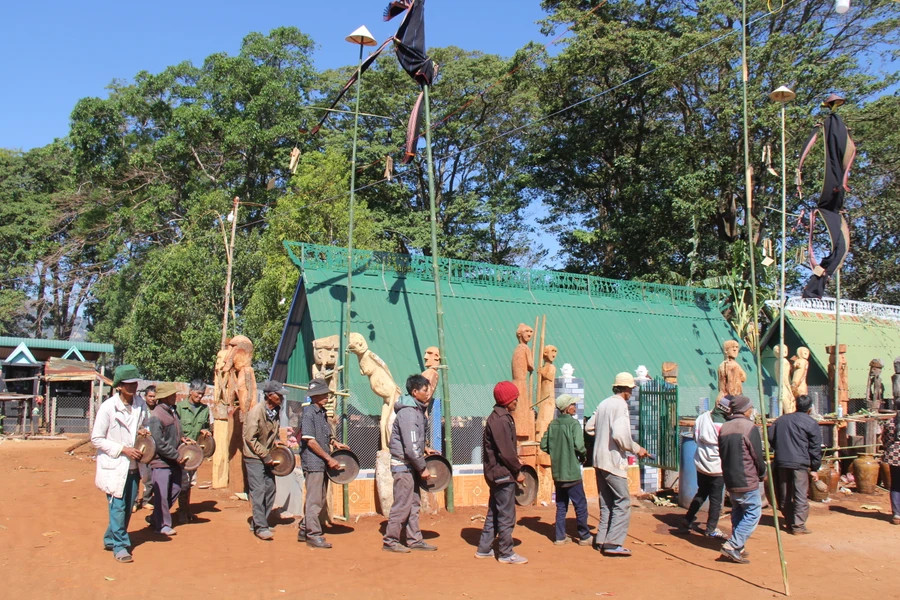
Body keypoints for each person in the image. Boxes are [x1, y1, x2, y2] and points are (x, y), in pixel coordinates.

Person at [586, 372, 649, 556]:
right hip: (613, 461)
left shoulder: (604, 403)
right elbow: (620, 436)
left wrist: (603, 433)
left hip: (598, 459)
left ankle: (602, 539)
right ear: (626, 389)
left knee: (606, 502)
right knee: (623, 501)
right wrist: (637, 449)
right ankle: (613, 543)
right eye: (630, 389)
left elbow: (590, 427)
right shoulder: (621, 405)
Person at [91, 364, 148, 563]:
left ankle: (110, 538)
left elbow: (144, 425)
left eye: (134, 383)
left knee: (127, 506)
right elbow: (96, 439)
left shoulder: (141, 404)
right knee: (117, 505)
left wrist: (143, 431)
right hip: (115, 465)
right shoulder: (108, 408)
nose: (132, 387)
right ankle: (121, 546)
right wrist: (123, 449)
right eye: (128, 384)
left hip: (133, 466)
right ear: (119, 386)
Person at [382, 374, 439, 553]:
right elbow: (411, 445)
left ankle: (414, 539)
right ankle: (390, 541)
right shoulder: (408, 413)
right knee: (402, 504)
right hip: (403, 466)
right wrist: (422, 467)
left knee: (413, 503)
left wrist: (426, 448)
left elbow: (415, 442)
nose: (428, 393)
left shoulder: (416, 410)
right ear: (415, 392)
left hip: (409, 465)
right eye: (424, 390)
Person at [475, 381, 528, 565]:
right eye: (515, 399)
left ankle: (484, 548)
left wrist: (515, 461)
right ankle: (506, 552)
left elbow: (504, 449)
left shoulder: (499, 417)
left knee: (495, 512)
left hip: (497, 472)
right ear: (507, 400)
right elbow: (505, 452)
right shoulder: (501, 420)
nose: (517, 402)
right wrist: (517, 470)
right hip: (502, 474)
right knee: (506, 514)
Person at [298, 378, 349, 548]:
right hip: (313, 463)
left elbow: (326, 434)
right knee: (314, 499)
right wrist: (329, 458)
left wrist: (335, 443)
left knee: (319, 497)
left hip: (322, 463)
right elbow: (310, 441)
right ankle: (313, 535)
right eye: (323, 393)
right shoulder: (309, 413)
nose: (326, 396)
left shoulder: (321, 413)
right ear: (314, 396)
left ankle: (304, 528)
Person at [718, 394, 766, 564]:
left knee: (738, 510)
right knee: (753, 511)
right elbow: (757, 455)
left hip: (730, 477)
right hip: (746, 477)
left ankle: (739, 545)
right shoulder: (750, 427)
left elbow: (722, 453)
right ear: (746, 410)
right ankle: (733, 544)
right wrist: (762, 472)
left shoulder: (724, 427)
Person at [540, 393, 590, 545]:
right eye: (572, 405)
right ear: (567, 409)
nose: (575, 407)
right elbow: (580, 447)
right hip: (572, 473)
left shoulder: (552, 425)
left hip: (558, 473)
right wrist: (583, 456)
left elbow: (543, 445)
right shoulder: (574, 425)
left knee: (561, 505)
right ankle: (584, 536)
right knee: (580, 505)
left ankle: (560, 537)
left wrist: (555, 452)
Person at [769, 394, 822, 534]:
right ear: (810, 409)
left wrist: (780, 449)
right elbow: (815, 447)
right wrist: (815, 467)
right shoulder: (811, 423)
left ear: (796, 405)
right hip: (800, 463)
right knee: (800, 494)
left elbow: (770, 437)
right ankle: (798, 525)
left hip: (782, 462)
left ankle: (789, 519)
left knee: (785, 493)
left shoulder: (781, 420)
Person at [679, 396, 731, 538]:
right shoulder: (724, 425)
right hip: (717, 467)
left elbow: (695, 437)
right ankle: (711, 529)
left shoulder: (702, 418)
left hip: (701, 464)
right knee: (716, 499)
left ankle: (688, 518)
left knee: (702, 492)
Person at [243, 380, 288, 540]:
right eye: (279, 395)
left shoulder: (275, 411)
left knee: (270, 489)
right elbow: (249, 438)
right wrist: (266, 455)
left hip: (267, 455)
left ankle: (258, 521)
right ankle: (261, 527)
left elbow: (271, 432)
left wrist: (276, 440)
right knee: (258, 490)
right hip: (254, 456)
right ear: (269, 396)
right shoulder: (257, 411)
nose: (282, 398)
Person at [147, 382, 186, 537]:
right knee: (162, 494)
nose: (175, 396)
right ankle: (162, 525)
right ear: (165, 397)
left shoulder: (172, 412)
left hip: (173, 461)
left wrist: (184, 440)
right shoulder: (156, 416)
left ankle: (156, 517)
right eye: (172, 394)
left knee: (175, 489)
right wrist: (176, 455)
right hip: (161, 462)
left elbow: (175, 434)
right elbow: (159, 442)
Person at [175, 379, 211, 524]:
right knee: (183, 482)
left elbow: (208, 427)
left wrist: (206, 432)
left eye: (202, 394)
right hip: (182, 452)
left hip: (196, 454)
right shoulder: (179, 408)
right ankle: (182, 513)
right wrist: (182, 438)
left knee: (191, 482)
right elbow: (174, 430)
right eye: (198, 393)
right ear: (191, 391)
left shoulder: (205, 409)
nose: (200, 397)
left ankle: (187, 510)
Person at [134, 385, 156, 513]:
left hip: (152, 447)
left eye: (154, 396)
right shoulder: (140, 408)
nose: (152, 399)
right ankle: (135, 501)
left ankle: (146, 500)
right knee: (136, 474)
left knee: (149, 476)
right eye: (150, 396)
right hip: (139, 445)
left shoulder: (158, 410)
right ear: (145, 397)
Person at [882, 399, 900, 525]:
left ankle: (897, 514)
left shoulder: (889, 423)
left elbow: (885, 441)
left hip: (894, 456)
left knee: (895, 484)